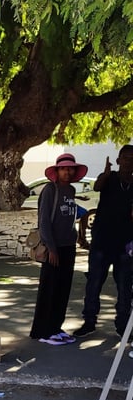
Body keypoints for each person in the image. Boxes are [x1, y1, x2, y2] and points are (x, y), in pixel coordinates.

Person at [75, 145, 133, 338]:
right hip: (102, 240)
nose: (128, 161)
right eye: (125, 157)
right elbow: (97, 187)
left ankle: (123, 326)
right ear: (118, 160)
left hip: (125, 244)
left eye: (132, 158)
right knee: (94, 282)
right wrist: (106, 174)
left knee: (125, 286)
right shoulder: (109, 178)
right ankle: (89, 322)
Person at [28, 154, 86, 344]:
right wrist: (51, 248)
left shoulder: (70, 190)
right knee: (49, 289)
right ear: (57, 171)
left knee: (63, 289)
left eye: (70, 168)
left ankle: (55, 327)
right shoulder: (50, 190)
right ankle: (43, 332)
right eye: (63, 168)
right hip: (54, 247)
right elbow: (44, 221)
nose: (67, 172)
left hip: (68, 246)